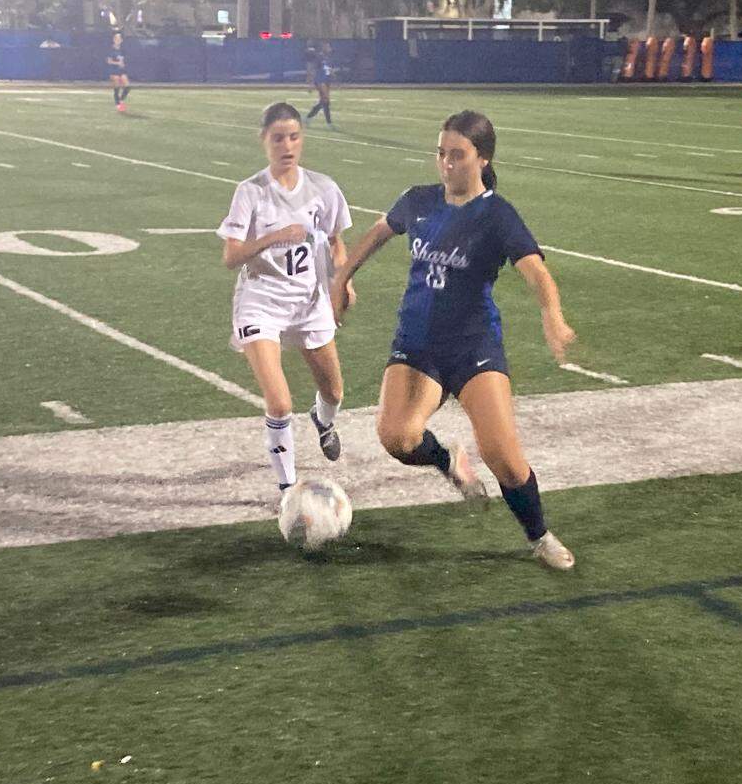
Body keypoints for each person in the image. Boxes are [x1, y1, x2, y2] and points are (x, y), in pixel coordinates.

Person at [331, 110, 578, 571]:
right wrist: (343, 276)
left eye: (458, 155)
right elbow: (377, 233)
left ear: (482, 159)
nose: (446, 164)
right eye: (441, 153)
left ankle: (539, 535)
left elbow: (535, 271)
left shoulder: (497, 214)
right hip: (418, 342)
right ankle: (448, 462)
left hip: (473, 346)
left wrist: (553, 315)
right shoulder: (418, 200)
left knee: (504, 457)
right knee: (397, 437)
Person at [217, 102, 353, 494]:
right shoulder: (251, 192)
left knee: (334, 392)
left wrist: (341, 281)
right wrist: (274, 237)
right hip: (261, 302)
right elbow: (230, 257)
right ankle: (287, 491)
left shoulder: (324, 189)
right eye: (278, 138)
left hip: (309, 303)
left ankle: (324, 420)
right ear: (264, 141)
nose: (287, 145)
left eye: (294, 136)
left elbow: (336, 244)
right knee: (278, 403)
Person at [304, 42, 334, 126]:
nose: (329, 48)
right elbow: (313, 69)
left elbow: (328, 69)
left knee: (324, 101)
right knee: (326, 100)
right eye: (327, 46)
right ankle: (329, 123)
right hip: (320, 81)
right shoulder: (319, 57)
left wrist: (332, 75)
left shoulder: (329, 58)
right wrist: (310, 84)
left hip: (326, 80)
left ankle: (308, 117)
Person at [107, 31, 131, 113]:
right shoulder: (111, 49)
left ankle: (121, 100)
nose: (118, 40)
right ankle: (118, 104)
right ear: (114, 40)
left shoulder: (122, 50)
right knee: (117, 87)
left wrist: (122, 64)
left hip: (121, 70)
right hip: (113, 70)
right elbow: (109, 61)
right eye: (117, 38)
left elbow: (123, 59)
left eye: (120, 38)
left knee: (127, 86)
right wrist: (117, 63)